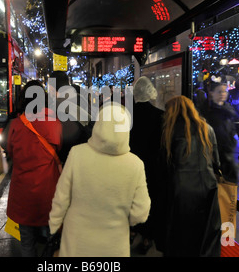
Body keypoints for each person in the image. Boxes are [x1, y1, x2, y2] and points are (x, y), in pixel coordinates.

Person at [49, 102, 151, 257]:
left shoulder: (77, 154)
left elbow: (62, 196)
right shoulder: (135, 164)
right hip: (114, 246)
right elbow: (141, 213)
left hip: (77, 243)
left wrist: (54, 223)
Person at [158, 95, 221, 257]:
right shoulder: (207, 128)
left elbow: (165, 163)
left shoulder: (170, 131)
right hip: (208, 188)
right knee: (204, 234)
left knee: (181, 235)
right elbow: (216, 162)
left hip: (181, 190)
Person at [5, 80, 62, 257]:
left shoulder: (15, 125)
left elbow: (10, 152)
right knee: (52, 240)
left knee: (27, 243)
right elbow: (58, 147)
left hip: (23, 194)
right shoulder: (54, 122)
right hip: (48, 192)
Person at [128, 76, 164, 254]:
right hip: (151, 167)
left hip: (130, 166)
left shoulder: (127, 113)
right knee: (149, 200)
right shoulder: (160, 116)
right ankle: (147, 237)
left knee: (131, 198)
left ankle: (133, 230)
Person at [48, 71, 92, 164]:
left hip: (66, 159)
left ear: (52, 88)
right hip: (85, 154)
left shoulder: (55, 106)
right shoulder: (81, 99)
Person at [202, 82, 238, 183]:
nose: (223, 94)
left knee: (229, 180)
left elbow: (231, 128)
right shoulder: (207, 110)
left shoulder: (228, 109)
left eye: (225, 91)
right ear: (212, 93)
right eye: (219, 91)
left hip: (226, 150)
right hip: (212, 151)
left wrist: (232, 141)